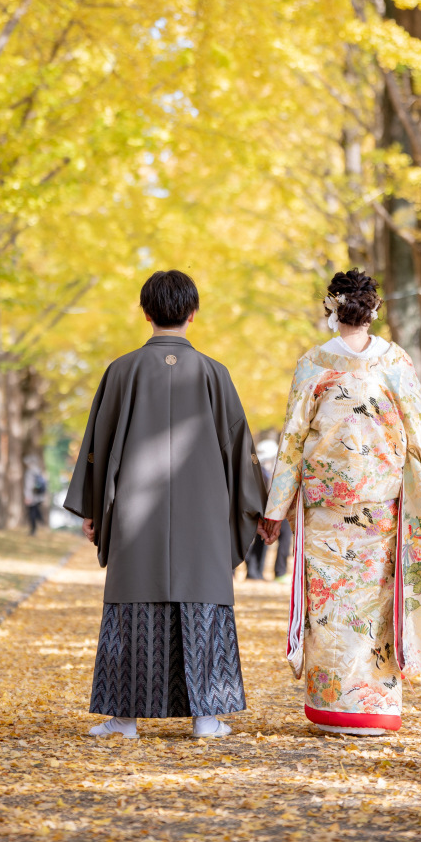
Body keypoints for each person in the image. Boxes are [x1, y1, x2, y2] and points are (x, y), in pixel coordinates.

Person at [64, 269, 272, 740]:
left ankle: (124, 720)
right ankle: (206, 717)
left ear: (145, 312)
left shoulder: (122, 371)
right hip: (204, 520)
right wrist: (256, 510)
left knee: (132, 607)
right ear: (192, 314)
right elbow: (240, 451)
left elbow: (99, 445)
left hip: (137, 518)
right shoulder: (215, 374)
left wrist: (95, 509)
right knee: (203, 605)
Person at [264, 269, 421, 736]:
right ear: (373, 310)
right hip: (381, 507)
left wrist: (276, 510)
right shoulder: (396, 361)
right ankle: (374, 709)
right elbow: (419, 431)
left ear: (330, 309)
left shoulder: (312, 363)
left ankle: (331, 706)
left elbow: (293, 441)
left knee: (331, 605)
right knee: (375, 604)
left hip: (328, 509)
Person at [244, 438, 292, 580]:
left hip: (273, 508)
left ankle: (259, 571)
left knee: (268, 539)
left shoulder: (270, 469)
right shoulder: (260, 470)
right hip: (266, 509)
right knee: (263, 540)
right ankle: (257, 571)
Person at [23, 454, 48, 535]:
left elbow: (29, 485)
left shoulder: (30, 472)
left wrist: (27, 496)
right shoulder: (38, 471)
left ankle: (34, 530)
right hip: (38, 496)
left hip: (32, 497)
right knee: (35, 511)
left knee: (32, 512)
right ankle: (41, 524)